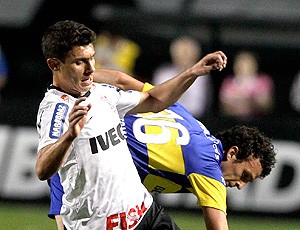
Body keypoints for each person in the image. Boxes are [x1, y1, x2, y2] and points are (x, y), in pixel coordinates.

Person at [35, 20, 227, 230]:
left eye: (92, 58)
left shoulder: (102, 93)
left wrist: (193, 72)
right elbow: (43, 169)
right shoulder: (56, 108)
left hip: (144, 212)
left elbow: (155, 101)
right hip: (102, 226)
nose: (91, 69)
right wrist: (69, 136)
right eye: (80, 62)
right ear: (54, 65)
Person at [48, 69, 276, 230]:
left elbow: (122, 80)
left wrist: (71, 80)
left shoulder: (187, 118)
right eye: (245, 175)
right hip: (94, 169)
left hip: (83, 145)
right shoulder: (209, 170)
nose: (240, 185)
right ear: (233, 153)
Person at [152, 36, 213, 119]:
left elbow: (200, 106)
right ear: (173, 54)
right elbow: (156, 99)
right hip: (165, 118)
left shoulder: (202, 77)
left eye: (187, 53)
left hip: (195, 119)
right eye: (181, 53)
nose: (184, 57)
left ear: (195, 55)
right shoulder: (163, 74)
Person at [219, 50, 274, 121]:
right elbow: (224, 105)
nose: (244, 67)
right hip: (233, 121)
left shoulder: (264, 81)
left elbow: (266, 105)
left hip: (258, 121)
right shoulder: (228, 82)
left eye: (247, 64)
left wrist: (246, 101)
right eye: (240, 64)